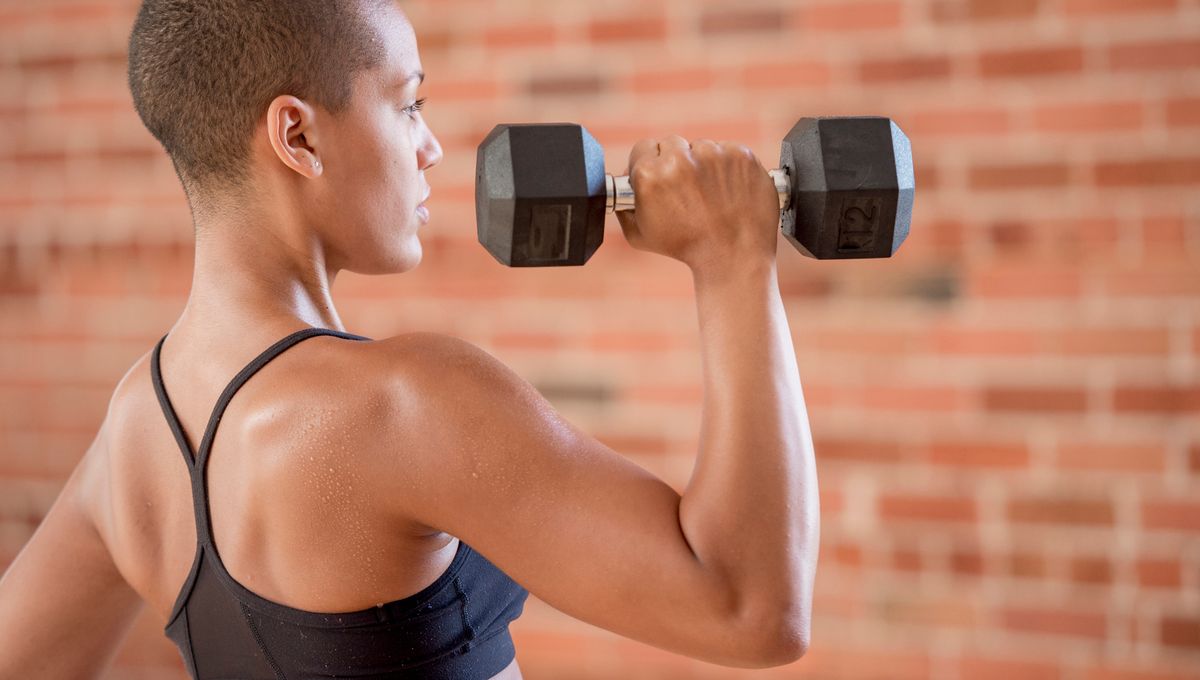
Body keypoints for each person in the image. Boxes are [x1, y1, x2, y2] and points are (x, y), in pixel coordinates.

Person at [0, 1, 818, 678]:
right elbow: (753, 610)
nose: (428, 148)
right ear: (299, 138)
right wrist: (732, 259)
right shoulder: (401, 402)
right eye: (408, 104)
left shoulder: (133, 429)